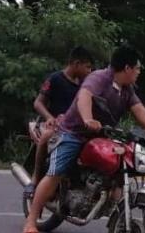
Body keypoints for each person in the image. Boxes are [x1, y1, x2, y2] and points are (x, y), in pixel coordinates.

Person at [21, 45, 145, 233]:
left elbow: (138, 108)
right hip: (74, 133)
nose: (139, 72)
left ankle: (114, 215)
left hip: (103, 135)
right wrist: (88, 119)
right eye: (138, 68)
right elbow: (84, 97)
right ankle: (30, 222)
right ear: (127, 68)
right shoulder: (99, 78)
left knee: (117, 169)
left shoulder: (127, 89)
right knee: (56, 173)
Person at [26, 47, 94, 196]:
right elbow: (38, 103)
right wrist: (50, 117)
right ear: (76, 63)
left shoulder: (84, 85)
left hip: (75, 127)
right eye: (87, 67)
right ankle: (35, 178)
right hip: (55, 124)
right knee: (45, 137)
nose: (89, 71)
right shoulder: (55, 78)